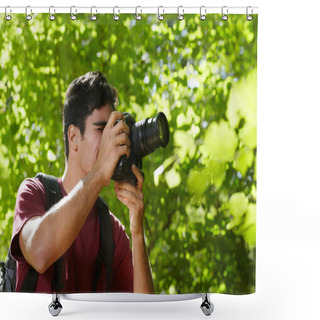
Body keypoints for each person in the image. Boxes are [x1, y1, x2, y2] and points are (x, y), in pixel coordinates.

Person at [9, 71, 155, 294]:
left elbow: (145, 315)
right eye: (101, 129)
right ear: (74, 137)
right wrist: (99, 173)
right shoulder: (34, 193)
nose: (112, 139)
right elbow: (38, 252)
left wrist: (137, 232)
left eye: (114, 129)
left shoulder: (112, 232)